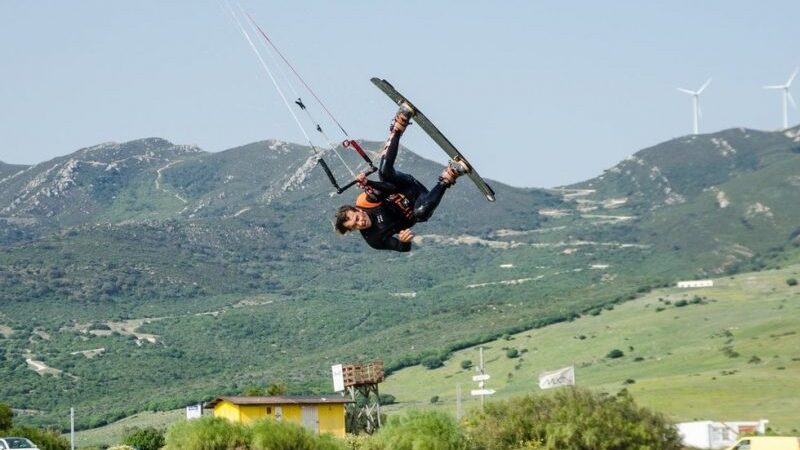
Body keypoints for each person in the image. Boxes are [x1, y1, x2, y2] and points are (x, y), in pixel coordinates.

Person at [333, 103, 470, 252]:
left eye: (357, 218)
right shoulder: (374, 239)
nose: (360, 223)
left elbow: (390, 188)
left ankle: (398, 125)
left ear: (357, 210)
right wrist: (405, 241)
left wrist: (369, 183)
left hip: (405, 185)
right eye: (354, 226)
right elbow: (402, 248)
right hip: (419, 202)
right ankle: (449, 175)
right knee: (421, 213)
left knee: (384, 172)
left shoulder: (364, 202)